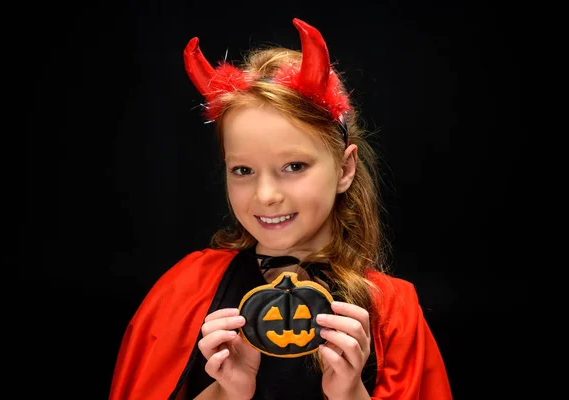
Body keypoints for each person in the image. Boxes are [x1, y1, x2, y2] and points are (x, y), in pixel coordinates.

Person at [108, 18, 452, 400]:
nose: (266, 195)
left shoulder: (392, 312)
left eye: (294, 167)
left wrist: (350, 393)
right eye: (243, 170)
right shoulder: (184, 289)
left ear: (345, 168)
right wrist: (226, 392)